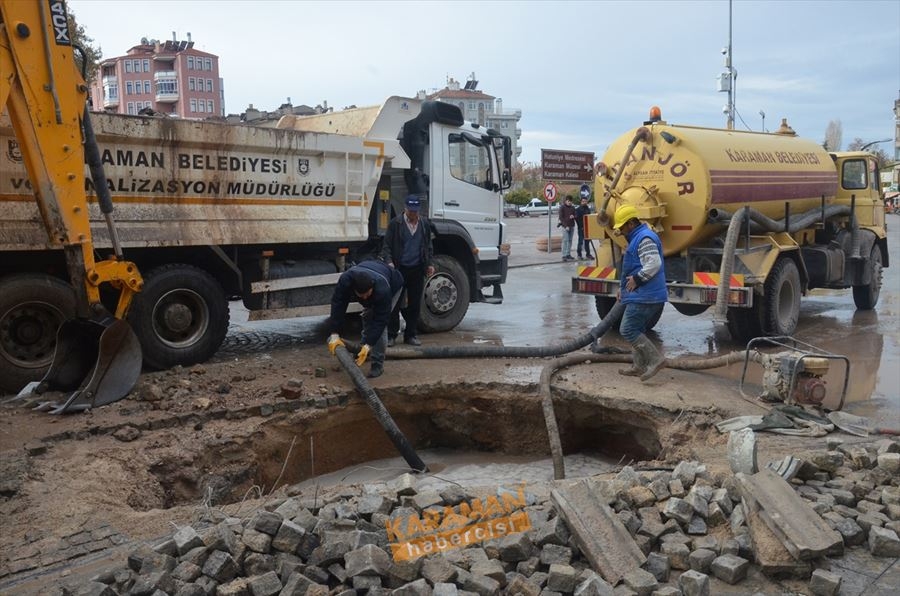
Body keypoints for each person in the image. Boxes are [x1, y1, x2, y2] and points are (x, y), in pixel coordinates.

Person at [613, 204, 667, 381]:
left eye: (622, 227)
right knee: (637, 328)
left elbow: (654, 263)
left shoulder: (644, 238)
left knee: (628, 329)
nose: (620, 232)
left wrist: (637, 279)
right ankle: (639, 366)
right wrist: (623, 289)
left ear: (630, 223)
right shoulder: (638, 237)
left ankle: (655, 359)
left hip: (646, 295)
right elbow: (633, 266)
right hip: (644, 294)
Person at [327, 260, 404, 378]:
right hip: (373, 271)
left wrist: (369, 344)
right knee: (367, 316)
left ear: (372, 286)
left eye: (367, 294)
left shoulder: (383, 290)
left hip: (394, 283)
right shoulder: (345, 280)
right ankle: (361, 351)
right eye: (361, 295)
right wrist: (334, 333)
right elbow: (338, 305)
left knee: (378, 326)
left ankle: (377, 363)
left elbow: (380, 321)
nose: (365, 298)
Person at [381, 194, 435, 347]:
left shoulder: (424, 224)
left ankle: (410, 335)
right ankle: (392, 335)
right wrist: (389, 262)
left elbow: (428, 246)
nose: (413, 214)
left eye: (415, 211)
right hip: (399, 269)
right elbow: (386, 246)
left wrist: (429, 264)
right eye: (411, 211)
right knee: (395, 303)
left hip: (417, 268)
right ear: (405, 209)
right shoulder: (395, 224)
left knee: (415, 304)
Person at [558, 195, 577, 261]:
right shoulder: (562, 207)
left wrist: (573, 216)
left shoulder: (573, 208)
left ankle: (568, 254)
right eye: (568, 201)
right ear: (566, 201)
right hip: (565, 227)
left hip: (571, 226)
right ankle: (564, 255)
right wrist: (566, 226)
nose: (569, 202)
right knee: (565, 240)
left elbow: (576, 215)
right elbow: (561, 218)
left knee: (570, 240)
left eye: (570, 201)